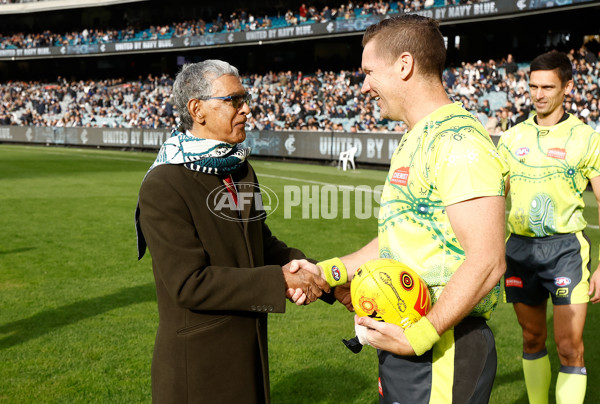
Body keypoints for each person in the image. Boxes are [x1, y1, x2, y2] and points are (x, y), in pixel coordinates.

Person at [290, 14, 507, 403]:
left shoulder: (459, 141)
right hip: (408, 337)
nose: (365, 84)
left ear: (404, 65)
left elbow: (488, 260)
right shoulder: (414, 137)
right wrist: (326, 272)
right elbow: (398, 241)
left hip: (442, 344)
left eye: (370, 71)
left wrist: (421, 335)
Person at [134, 60, 330, 403]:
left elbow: (259, 242)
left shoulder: (239, 169)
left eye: (245, 98)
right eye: (234, 100)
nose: (246, 109)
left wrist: (317, 272)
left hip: (247, 355)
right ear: (198, 110)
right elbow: (189, 283)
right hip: (199, 371)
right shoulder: (164, 183)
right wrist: (281, 281)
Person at [497, 50, 600, 404]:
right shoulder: (511, 139)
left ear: (567, 87)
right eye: (533, 86)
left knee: (569, 347)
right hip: (519, 250)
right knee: (531, 339)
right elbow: (496, 199)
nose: (539, 94)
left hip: (566, 251)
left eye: (548, 87)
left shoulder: (586, 138)